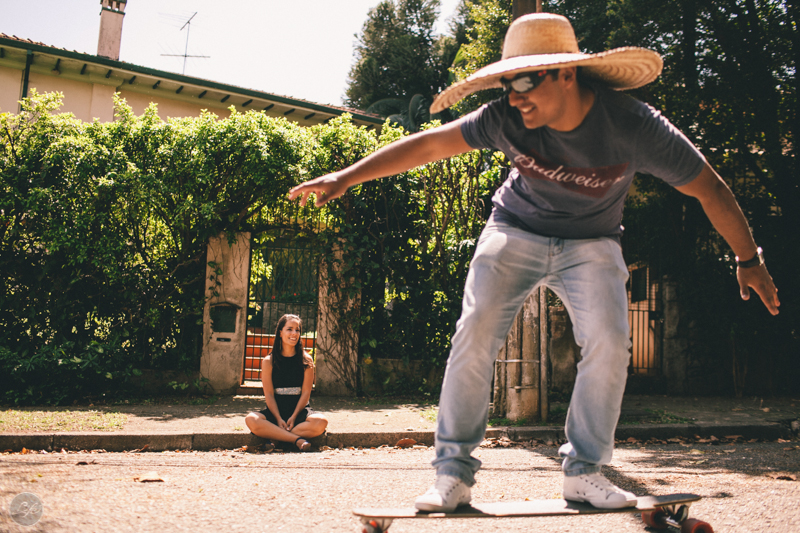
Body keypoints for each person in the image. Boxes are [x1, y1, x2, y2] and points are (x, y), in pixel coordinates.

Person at [289, 13, 779, 510]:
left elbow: (708, 187)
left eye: (524, 82)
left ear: (565, 73)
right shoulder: (504, 116)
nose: (515, 97)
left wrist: (748, 258)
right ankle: (452, 474)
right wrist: (345, 177)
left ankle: (584, 472)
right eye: (506, 84)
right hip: (515, 229)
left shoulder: (633, 125)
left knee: (611, 343)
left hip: (593, 242)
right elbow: (433, 143)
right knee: (475, 330)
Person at [245, 314, 328, 451]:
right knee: (251, 419)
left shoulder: (306, 360)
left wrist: (294, 417)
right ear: (280, 332)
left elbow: (306, 393)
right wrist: (278, 418)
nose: (294, 333)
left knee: (321, 422)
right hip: (275, 410)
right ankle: (296, 440)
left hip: (299, 411)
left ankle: (275, 438)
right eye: (289, 329)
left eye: (297, 330)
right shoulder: (268, 361)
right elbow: (269, 394)